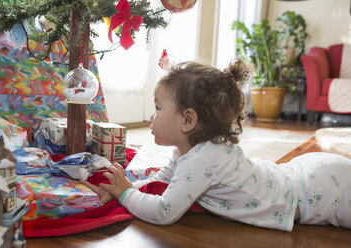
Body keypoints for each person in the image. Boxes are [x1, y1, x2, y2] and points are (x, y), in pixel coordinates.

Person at [81, 59, 351, 231]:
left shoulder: (202, 160)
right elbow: (162, 182)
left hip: (322, 193)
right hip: (304, 173)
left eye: (158, 108)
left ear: (188, 120)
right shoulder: (187, 150)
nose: (151, 117)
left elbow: (164, 212)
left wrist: (126, 193)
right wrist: (118, 189)